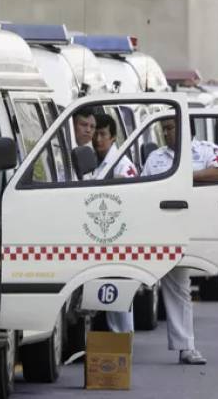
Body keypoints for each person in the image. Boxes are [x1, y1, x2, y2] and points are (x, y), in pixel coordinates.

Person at [141, 117, 218, 365]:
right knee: (132, 284)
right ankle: (116, 343)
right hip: (156, 230)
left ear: (185, 128)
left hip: (186, 229)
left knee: (180, 288)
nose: (167, 133)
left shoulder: (206, 150)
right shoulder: (155, 158)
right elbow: (140, 187)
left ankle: (186, 347)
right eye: (164, 129)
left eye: (171, 128)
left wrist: (186, 176)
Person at [91, 113, 138, 333]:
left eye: (103, 134)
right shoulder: (94, 162)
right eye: (95, 134)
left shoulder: (122, 165)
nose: (98, 139)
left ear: (113, 137)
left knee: (118, 293)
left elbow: (132, 193)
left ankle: (124, 340)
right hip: (97, 235)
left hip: (118, 237)